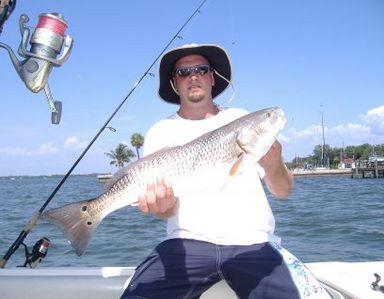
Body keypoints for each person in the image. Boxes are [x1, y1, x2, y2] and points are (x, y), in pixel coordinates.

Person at [121, 44, 331, 299]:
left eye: (201, 69)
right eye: (183, 72)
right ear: (175, 83)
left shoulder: (241, 119)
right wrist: (160, 206)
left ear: (212, 76)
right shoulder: (160, 132)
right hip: (185, 243)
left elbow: (284, 191)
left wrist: (274, 166)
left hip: (253, 243)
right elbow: (167, 211)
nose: (193, 76)